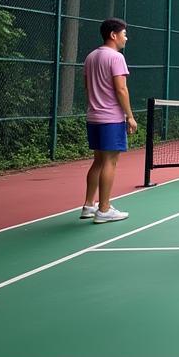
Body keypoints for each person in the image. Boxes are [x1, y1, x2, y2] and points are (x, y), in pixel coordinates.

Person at [80, 18, 138, 223]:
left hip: (93, 117)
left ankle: (88, 205)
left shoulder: (90, 57)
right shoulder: (116, 58)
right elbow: (121, 88)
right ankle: (104, 209)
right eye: (124, 33)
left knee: (98, 161)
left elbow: (87, 87)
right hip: (110, 119)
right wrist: (129, 116)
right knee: (110, 162)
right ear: (113, 35)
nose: (126, 37)